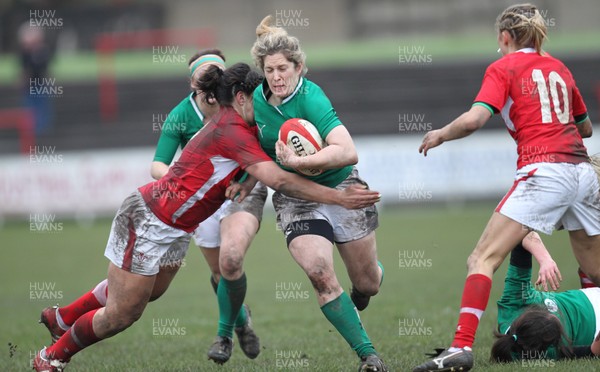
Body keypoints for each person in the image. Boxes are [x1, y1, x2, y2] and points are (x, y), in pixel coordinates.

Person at [33, 62, 381, 372]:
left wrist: (246, 182)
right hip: (148, 220)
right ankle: (52, 357)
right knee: (124, 313)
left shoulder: (237, 127)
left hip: (174, 226)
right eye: (258, 96)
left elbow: (260, 169)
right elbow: (279, 179)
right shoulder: (233, 130)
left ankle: (61, 317)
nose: (263, 104)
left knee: (145, 294)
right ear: (242, 98)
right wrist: (338, 197)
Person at [37, 50, 265, 364]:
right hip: (176, 208)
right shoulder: (183, 116)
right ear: (193, 85)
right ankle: (234, 330)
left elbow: (261, 158)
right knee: (139, 302)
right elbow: (158, 165)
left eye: (216, 74)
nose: (211, 84)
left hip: (203, 206)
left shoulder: (243, 112)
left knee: (154, 291)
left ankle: (64, 318)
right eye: (204, 78)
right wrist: (182, 182)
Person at [413, 4, 599, 371]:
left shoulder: (503, 67)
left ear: (505, 37)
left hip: (544, 171)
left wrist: (440, 134)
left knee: (482, 258)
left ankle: (460, 348)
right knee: (595, 270)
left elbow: (475, 119)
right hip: (582, 171)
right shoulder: (559, 68)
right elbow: (586, 128)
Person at [250, 15, 388, 372]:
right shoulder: (256, 102)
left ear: (299, 68)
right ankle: (369, 356)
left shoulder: (311, 97)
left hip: (342, 184)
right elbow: (245, 144)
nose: (276, 77)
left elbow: (347, 150)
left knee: (367, 283)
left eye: (283, 69)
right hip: (297, 197)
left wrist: (302, 159)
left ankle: (367, 283)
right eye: (269, 70)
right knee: (319, 272)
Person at [491, 233, 600, 362]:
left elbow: (522, 231)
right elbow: (590, 352)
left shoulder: (515, 301)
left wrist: (545, 259)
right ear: (550, 343)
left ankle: (588, 273)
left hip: (590, 295)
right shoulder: (546, 353)